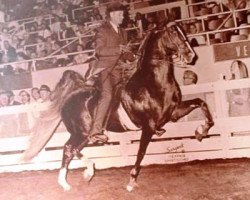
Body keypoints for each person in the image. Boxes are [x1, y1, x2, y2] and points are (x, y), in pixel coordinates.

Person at [88, 2, 132, 143]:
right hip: (106, 69)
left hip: (121, 69)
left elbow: (125, 54)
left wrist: (132, 56)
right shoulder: (102, 30)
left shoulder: (123, 32)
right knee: (107, 95)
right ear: (112, 15)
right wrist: (118, 50)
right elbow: (99, 51)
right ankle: (96, 131)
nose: (123, 17)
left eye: (123, 14)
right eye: (120, 14)